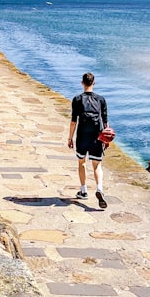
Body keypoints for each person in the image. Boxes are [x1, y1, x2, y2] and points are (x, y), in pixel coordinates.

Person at [68, 71, 109, 209]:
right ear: (94, 83)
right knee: (97, 165)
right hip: (97, 136)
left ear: (82, 83)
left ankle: (84, 190)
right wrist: (107, 140)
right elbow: (106, 123)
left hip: (82, 136)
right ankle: (99, 189)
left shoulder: (77, 99)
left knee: (82, 162)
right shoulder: (101, 100)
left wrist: (70, 137)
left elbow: (74, 121)